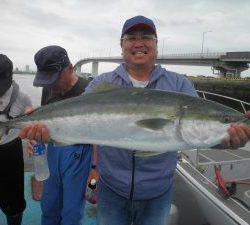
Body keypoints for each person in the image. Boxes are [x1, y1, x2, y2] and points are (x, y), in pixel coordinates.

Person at [19, 16, 250, 225]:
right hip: (111, 190)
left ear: (156, 45)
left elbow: (205, 136)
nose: (139, 43)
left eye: (147, 37)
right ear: (122, 46)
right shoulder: (101, 84)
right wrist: (47, 133)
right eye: (131, 38)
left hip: (158, 193)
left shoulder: (180, 85)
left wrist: (229, 138)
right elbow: (82, 128)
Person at [29, 45, 93, 225]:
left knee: (71, 212)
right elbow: (41, 119)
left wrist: (95, 168)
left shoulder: (89, 90)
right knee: (49, 206)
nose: (49, 85)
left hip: (79, 154)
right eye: (45, 81)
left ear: (70, 68)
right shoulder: (50, 88)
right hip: (52, 151)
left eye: (53, 79)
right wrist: (35, 138)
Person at [0, 54, 32, 225]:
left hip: (11, 152)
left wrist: (33, 140)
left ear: (10, 77)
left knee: (14, 201)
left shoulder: (23, 98)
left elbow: (30, 127)